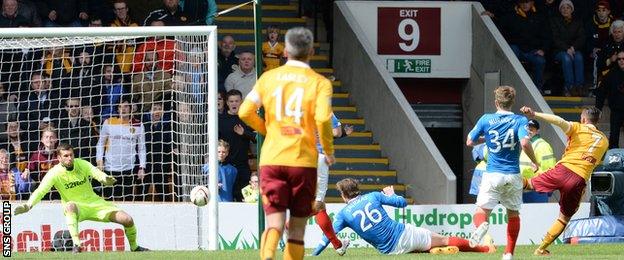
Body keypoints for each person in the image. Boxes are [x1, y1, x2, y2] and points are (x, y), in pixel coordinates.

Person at [238, 27, 335, 260]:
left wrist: (267, 129)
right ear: (311, 51)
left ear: (285, 51)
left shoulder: (268, 78)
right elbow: (323, 118)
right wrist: (329, 151)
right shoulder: (320, 83)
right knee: (297, 229)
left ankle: (268, 253)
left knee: (275, 223)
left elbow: (245, 111)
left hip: (272, 159)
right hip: (303, 161)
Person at [14, 143, 148, 253]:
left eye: (71, 155)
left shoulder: (81, 164)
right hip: (77, 207)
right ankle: (77, 245)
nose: (69, 158)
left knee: (127, 219)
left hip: (95, 204)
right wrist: (28, 205)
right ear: (59, 158)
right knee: (69, 205)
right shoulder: (54, 173)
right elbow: (40, 191)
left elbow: (95, 172)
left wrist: (104, 179)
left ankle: (135, 247)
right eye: (65, 156)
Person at [312, 178, 496, 256]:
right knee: (444, 239)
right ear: (357, 189)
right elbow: (402, 203)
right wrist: (392, 195)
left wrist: (314, 254)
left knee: (426, 245)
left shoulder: (343, 214)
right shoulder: (373, 196)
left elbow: (326, 237)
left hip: (388, 251)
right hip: (404, 235)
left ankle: (430, 250)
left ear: (344, 196)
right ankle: (485, 250)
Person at [519, 106, 608, 255]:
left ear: (584, 119)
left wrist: (534, 114)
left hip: (563, 170)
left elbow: (559, 121)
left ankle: (504, 180)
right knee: (564, 218)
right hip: (579, 179)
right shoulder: (604, 140)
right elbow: (594, 162)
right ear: (597, 121)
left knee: (529, 184)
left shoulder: (578, 127)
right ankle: (541, 249)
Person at [466, 86, 539, 260]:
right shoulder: (520, 120)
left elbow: (470, 141)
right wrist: (534, 161)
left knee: (481, 211)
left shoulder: (486, 119)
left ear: (496, 102)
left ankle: (482, 226)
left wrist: (488, 138)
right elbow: (525, 143)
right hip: (513, 174)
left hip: (492, 174)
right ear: (512, 102)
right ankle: (508, 254)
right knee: (513, 214)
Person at [309, 113, 353, 255]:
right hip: (318, 157)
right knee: (319, 203)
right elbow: (336, 132)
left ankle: (338, 244)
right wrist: (343, 133)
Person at [96, 97, 147, 201]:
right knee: (108, 202)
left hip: (128, 169)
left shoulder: (138, 125)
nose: (123, 109)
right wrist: (99, 160)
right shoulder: (109, 122)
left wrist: (142, 167)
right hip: (110, 168)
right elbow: (100, 143)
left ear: (131, 108)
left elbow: (142, 148)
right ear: (117, 109)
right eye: (120, 107)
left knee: (127, 201)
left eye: (126, 106)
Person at [499, 0, 550, 93]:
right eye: (522, 2)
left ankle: (537, 89)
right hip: (517, 49)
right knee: (513, 51)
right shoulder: (511, 16)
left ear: (532, 3)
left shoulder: (539, 16)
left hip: (532, 51)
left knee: (540, 60)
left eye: (527, 2)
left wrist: (543, 49)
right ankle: (512, 85)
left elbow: (547, 36)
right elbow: (502, 30)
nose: (525, 4)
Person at [219, 89, 255, 202]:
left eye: (236, 101)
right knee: (227, 197)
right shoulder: (220, 120)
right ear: (227, 103)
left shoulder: (247, 118)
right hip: (226, 166)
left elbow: (257, 138)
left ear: (241, 102)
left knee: (244, 198)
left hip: (242, 165)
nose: (234, 103)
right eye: (231, 101)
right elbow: (216, 140)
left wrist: (244, 133)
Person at [550, 0, 585, 96]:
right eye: (563, 8)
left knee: (579, 57)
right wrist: (567, 49)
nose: (565, 10)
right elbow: (555, 39)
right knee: (566, 58)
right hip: (559, 50)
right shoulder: (555, 21)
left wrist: (573, 48)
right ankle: (570, 87)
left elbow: (581, 37)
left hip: (574, 49)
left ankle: (579, 86)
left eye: (568, 7)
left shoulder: (578, 22)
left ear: (572, 9)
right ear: (560, 10)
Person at [519, 119, 557, 202]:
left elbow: (549, 169)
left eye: (532, 129)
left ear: (537, 131)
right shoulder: (527, 144)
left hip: (537, 189)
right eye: (527, 129)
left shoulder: (542, 145)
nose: (529, 131)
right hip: (526, 187)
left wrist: (548, 187)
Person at [596, 50, 624, 148]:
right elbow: (601, 92)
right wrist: (598, 109)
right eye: (619, 59)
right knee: (614, 137)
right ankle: (614, 160)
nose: (621, 61)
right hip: (616, 110)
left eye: (623, 58)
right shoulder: (611, 74)